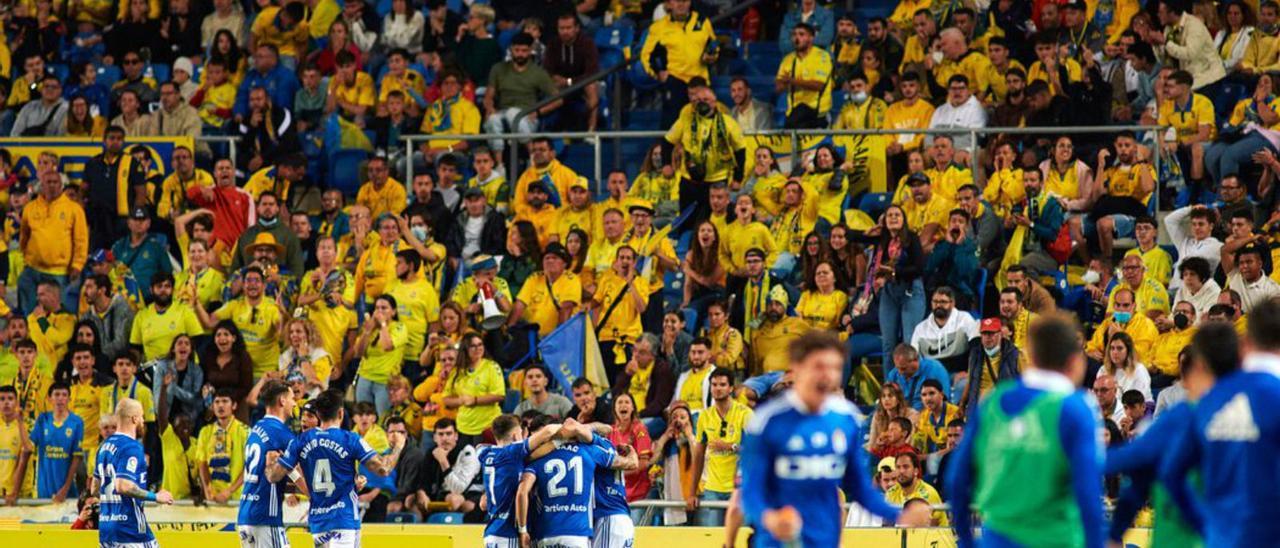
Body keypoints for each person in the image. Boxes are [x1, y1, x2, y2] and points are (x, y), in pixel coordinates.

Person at [947, 314, 1105, 548]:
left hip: (997, 539)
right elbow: (1088, 493)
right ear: (1075, 361)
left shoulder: (992, 402)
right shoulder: (1075, 408)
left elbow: (956, 480)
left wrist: (967, 542)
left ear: (1030, 356)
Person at [741, 331, 901, 545]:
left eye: (835, 368)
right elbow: (750, 491)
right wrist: (769, 518)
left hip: (825, 540)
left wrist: (900, 514)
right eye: (819, 366)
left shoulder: (846, 418)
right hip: (777, 541)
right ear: (796, 368)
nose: (828, 375)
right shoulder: (766, 421)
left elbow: (860, 487)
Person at [1160, 320, 1280, 547]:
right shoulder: (1271, 394)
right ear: (1241, 351)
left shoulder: (1202, 406)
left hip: (1220, 535)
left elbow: (1170, 473)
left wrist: (1201, 522)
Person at [268, 390, 404, 548]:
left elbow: (273, 476)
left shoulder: (301, 440)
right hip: (343, 521)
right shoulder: (350, 439)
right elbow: (384, 469)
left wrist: (270, 462)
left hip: (318, 524)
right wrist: (399, 446)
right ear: (341, 412)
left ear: (318, 413)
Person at [515, 417, 638, 548]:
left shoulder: (541, 459)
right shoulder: (596, 448)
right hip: (592, 527)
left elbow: (523, 487)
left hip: (607, 517)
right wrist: (633, 455)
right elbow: (630, 461)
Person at [477, 414, 575, 547]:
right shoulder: (512, 453)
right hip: (508, 532)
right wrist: (574, 427)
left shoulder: (484, 452)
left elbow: (483, 503)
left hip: (492, 531)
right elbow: (548, 431)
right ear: (515, 435)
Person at [662, 78, 747, 225]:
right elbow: (667, 141)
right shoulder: (685, 120)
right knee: (686, 223)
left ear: (714, 102)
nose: (702, 102)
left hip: (717, 181)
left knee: (714, 223)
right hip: (690, 181)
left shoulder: (727, 122)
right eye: (698, 100)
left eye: (706, 99)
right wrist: (666, 164)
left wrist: (738, 179)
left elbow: (740, 150)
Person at [95, 398, 175, 546]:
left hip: (106, 531)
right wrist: (155, 496)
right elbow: (123, 486)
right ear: (134, 418)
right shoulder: (131, 447)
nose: (143, 421)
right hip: (130, 531)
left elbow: (95, 488)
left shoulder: (103, 447)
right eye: (142, 417)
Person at [686, 369, 751, 526]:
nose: (717, 388)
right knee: (712, 539)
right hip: (712, 489)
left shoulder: (745, 414)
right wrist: (692, 492)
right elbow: (699, 455)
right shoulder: (704, 416)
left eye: (722, 384)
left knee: (739, 540)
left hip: (738, 489)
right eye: (714, 384)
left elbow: (758, 450)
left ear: (731, 388)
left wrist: (731, 446)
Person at [19, 166, 88, 315]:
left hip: (59, 272)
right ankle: (30, 336)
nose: (52, 185)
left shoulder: (74, 209)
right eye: (48, 182)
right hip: (32, 269)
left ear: (61, 185)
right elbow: (24, 236)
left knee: (57, 314)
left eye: (55, 182)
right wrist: (26, 258)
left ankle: (55, 337)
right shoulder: (30, 208)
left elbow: (81, 240)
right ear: (41, 185)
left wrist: (77, 265)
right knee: (29, 312)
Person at [237, 379, 296, 547]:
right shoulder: (282, 434)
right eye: (292, 398)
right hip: (265, 517)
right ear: (282, 401)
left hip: (245, 514)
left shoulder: (254, 429)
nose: (294, 403)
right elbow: (300, 471)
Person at [483, 32, 560, 153]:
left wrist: (538, 112)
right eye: (517, 50)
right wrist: (489, 108)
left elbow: (558, 99)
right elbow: (488, 96)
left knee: (513, 113)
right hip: (503, 112)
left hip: (527, 115)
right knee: (493, 119)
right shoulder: (498, 69)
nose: (520, 54)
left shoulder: (538, 73)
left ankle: (532, 154)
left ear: (531, 50)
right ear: (511, 50)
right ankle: (499, 164)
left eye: (524, 51)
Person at [31, 382, 83, 502]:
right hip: (43, 487)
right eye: (57, 394)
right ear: (49, 398)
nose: (60, 398)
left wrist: (65, 488)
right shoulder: (42, 419)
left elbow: (76, 457)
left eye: (64, 395)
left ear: (69, 399)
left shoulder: (77, 422)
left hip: (66, 490)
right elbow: (29, 446)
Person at [196, 388, 249, 504]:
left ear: (234, 405)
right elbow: (202, 463)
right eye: (217, 402)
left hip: (238, 498)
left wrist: (229, 491)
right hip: (213, 499)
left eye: (225, 401)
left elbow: (250, 466)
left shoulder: (245, 432)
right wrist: (208, 490)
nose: (220, 405)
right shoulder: (205, 432)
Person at [910, 287, 979, 373]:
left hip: (958, 373)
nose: (938, 305)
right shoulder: (920, 328)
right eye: (935, 302)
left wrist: (969, 373)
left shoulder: (965, 319)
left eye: (943, 302)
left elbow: (976, 348)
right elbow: (914, 357)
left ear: (953, 303)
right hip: (931, 376)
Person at [961, 318, 1019, 412]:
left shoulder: (1014, 354)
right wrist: (962, 404)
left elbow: (1023, 381)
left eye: (992, 333)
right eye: (984, 333)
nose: (988, 337)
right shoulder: (975, 354)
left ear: (1000, 334)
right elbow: (970, 380)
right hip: (979, 408)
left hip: (1002, 408)